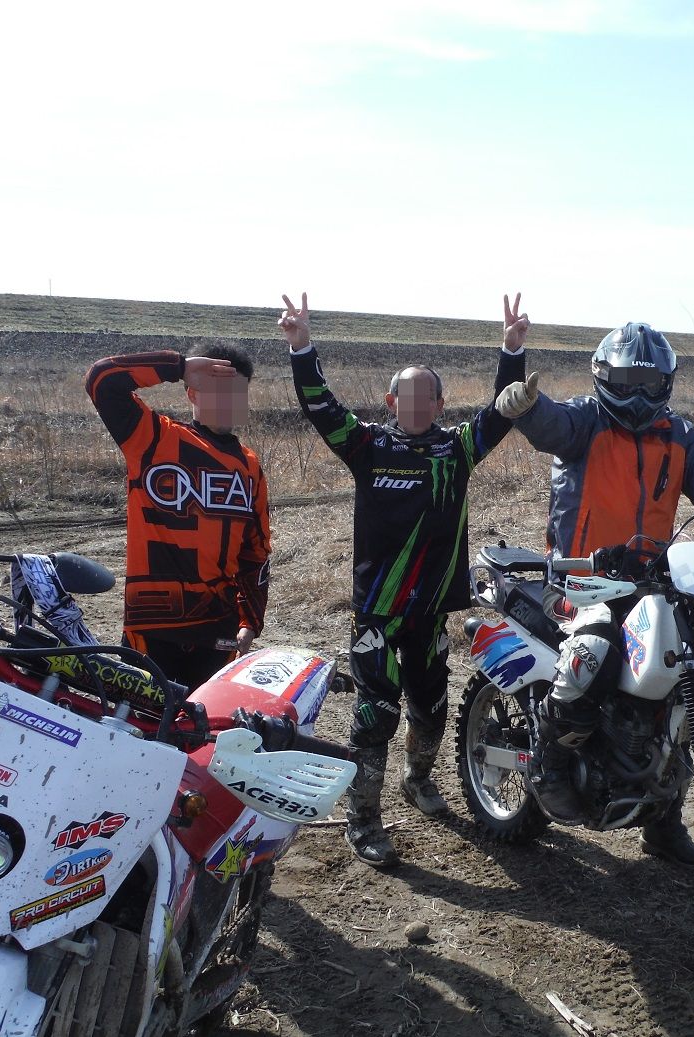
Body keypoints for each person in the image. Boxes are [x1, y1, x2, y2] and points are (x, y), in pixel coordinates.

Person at [494, 323, 694, 866]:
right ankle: (551, 761)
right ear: (604, 378)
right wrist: (525, 405)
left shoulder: (678, 435)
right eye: (627, 381)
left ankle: (662, 822)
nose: (637, 394)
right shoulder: (585, 422)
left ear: (665, 382)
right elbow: (549, 425)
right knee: (594, 650)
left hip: (653, 581)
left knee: (684, 687)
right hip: (582, 581)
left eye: (648, 382)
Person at [280, 291, 529, 868]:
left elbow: (504, 410)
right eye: (407, 396)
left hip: (430, 613)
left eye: (428, 396)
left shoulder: (457, 449)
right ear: (391, 401)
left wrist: (511, 352)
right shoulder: (368, 445)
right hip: (378, 612)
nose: (417, 405)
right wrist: (302, 349)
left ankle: (418, 781)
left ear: (440, 403)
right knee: (376, 715)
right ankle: (363, 818)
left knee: (433, 707)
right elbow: (321, 408)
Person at [85, 344, 271, 690]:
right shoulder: (151, 438)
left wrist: (251, 621)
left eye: (237, 391)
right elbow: (102, 379)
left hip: (219, 629)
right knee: (142, 721)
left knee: (206, 722)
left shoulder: (249, 466)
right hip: (154, 627)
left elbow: (255, 552)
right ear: (192, 393)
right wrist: (178, 366)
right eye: (218, 390)